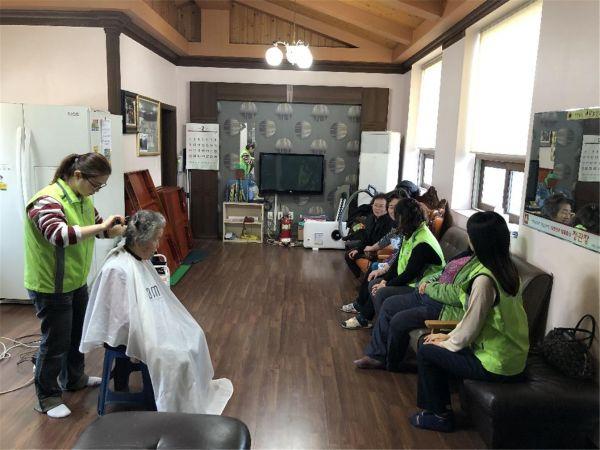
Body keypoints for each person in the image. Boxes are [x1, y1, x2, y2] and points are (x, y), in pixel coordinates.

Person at [80, 210, 233, 414]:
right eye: (155, 239)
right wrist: (153, 334)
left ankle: (194, 395)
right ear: (140, 241)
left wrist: (163, 324)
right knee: (179, 357)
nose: (158, 246)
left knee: (195, 335)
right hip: (130, 334)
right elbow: (120, 322)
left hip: (149, 326)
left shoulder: (139, 259)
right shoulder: (118, 269)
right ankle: (177, 406)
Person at [24, 152, 126, 418]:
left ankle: (74, 379)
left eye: (101, 186)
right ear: (78, 175)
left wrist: (116, 229)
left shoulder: (82, 199)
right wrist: (101, 227)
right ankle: (46, 398)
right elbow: (59, 236)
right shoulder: (46, 200)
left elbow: (98, 229)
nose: (96, 190)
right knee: (55, 342)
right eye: (96, 184)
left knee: (77, 335)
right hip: (50, 285)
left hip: (76, 280)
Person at [410, 211, 529, 433]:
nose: (469, 240)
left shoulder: (484, 280)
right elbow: (479, 321)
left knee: (426, 349)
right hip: (513, 357)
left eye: (471, 236)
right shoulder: (507, 270)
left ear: (477, 242)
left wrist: (447, 342)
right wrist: (447, 336)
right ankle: (434, 409)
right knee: (433, 342)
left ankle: (439, 415)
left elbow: (471, 326)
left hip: (495, 364)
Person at [342, 198, 445, 329]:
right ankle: (371, 320)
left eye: (398, 217)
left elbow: (409, 274)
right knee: (374, 283)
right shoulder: (411, 233)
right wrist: (385, 280)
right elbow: (398, 261)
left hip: (422, 285)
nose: (397, 222)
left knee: (380, 291)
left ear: (406, 218)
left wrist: (385, 284)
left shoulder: (422, 241)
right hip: (410, 278)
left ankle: (381, 326)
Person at [340, 192, 405, 316]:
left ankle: (363, 311)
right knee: (351, 252)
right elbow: (383, 240)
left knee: (374, 269)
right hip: (389, 260)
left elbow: (397, 253)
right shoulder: (393, 225)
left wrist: (385, 268)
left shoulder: (400, 226)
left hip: (390, 261)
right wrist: (365, 248)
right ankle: (361, 305)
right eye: (391, 207)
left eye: (396, 208)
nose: (393, 211)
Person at [344, 194, 394, 278]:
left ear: (387, 208)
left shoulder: (389, 221)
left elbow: (383, 242)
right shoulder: (371, 218)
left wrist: (368, 249)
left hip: (378, 250)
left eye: (381, 206)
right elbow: (366, 237)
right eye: (375, 205)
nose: (377, 208)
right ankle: (359, 278)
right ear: (372, 205)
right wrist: (358, 249)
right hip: (369, 247)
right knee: (349, 254)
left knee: (351, 253)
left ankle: (366, 278)